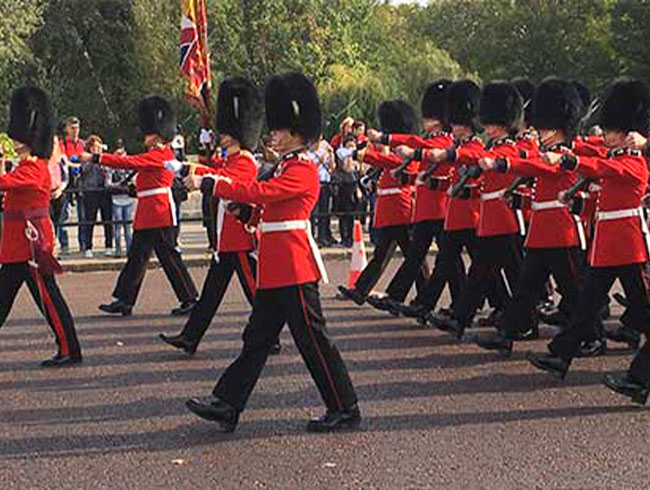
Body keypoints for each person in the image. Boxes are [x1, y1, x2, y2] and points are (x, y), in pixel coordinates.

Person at [185, 72, 360, 433]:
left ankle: (345, 407)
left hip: (294, 267)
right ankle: (228, 403)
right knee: (257, 339)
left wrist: (214, 183)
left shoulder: (303, 169)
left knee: (313, 340)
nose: (273, 134)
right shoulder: (284, 166)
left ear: (297, 132)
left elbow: (264, 193)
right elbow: (265, 211)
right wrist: (245, 214)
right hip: (275, 268)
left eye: (279, 130)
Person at [528, 78, 650, 406]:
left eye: (612, 130)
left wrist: (567, 161)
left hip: (629, 249)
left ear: (628, 132)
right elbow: (602, 202)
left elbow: (600, 166)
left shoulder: (633, 163)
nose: (606, 134)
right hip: (607, 249)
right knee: (584, 307)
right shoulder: (619, 158)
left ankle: (639, 379)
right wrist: (577, 203)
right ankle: (560, 356)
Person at [159, 76, 281, 356]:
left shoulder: (245, 161)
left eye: (226, 134)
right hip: (227, 238)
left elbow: (223, 179)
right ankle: (190, 337)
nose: (222, 136)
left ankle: (270, 336)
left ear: (237, 135)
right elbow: (214, 168)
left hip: (240, 237)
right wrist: (197, 156)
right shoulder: (232, 159)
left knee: (254, 291)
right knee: (211, 295)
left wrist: (187, 169)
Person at [476, 77, 586, 355]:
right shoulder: (547, 153)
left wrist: (501, 163)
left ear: (559, 127)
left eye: (545, 126)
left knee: (574, 292)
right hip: (540, 233)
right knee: (524, 289)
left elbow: (536, 168)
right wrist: (519, 199)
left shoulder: (562, 156)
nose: (540, 129)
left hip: (560, 232)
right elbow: (538, 193)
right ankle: (510, 333)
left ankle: (592, 336)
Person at [81, 95, 198, 317]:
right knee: (137, 258)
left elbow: (129, 162)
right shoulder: (155, 154)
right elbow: (146, 181)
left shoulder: (161, 154)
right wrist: (134, 190)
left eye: (148, 133)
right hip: (148, 212)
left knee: (169, 257)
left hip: (160, 212)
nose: (144, 136)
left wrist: (96, 158)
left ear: (157, 136)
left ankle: (190, 298)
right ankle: (124, 300)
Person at [0, 86, 81, 367]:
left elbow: (4, 183)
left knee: (49, 300)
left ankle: (69, 349)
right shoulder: (27, 166)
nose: (14, 140)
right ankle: (70, 348)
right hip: (18, 247)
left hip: (31, 246)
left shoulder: (35, 167)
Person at [365, 80, 454, 314]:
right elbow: (416, 143)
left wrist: (385, 138)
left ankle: (452, 305)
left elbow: (418, 144)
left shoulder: (445, 140)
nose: (425, 119)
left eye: (430, 115)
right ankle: (402, 298)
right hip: (426, 209)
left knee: (449, 262)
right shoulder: (433, 137)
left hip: (442, 209)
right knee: (415, 257)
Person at [337, 100, 420, 305]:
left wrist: (359, 154)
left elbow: (389, 162)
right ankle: (360, 290)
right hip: (391, 208)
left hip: (401, 208)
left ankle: (423, 296)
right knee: (382, 254)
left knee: (412, 255)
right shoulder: (398, 150)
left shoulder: (410, 152)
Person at [80, 135, 113, 257]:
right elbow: (84, 170)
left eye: (99, 147)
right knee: (90, 220)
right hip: (91, 191)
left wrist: (102, 161)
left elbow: (109, 171)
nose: (97, 149)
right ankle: (88, 247)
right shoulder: (85, 158)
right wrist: (93, 159)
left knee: (107, 220)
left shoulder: (105, 158)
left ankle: (109, 246)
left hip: (104, 191)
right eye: (94, 147)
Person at [105, 139, 135, 257]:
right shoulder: (111, 168)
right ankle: (118, 249)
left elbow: (135, 181)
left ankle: (129, 249)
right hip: (116, 199)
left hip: (128, 199)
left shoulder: (130, 166)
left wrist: (129, 184)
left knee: (128, 226)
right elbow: (108, 184)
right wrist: (119, 185)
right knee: (117, 226)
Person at [60, 116, 85, 253]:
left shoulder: (83, 144)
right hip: (66, 181)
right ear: (66, 129)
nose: (75, 131)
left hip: (81, 181)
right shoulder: (62, 144)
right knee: (63, 214)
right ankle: (64, 244)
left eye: (77, 128)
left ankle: (83, 243)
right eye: (72, 128)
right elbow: (62, 161)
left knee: (83, 215)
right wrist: (76, 164)